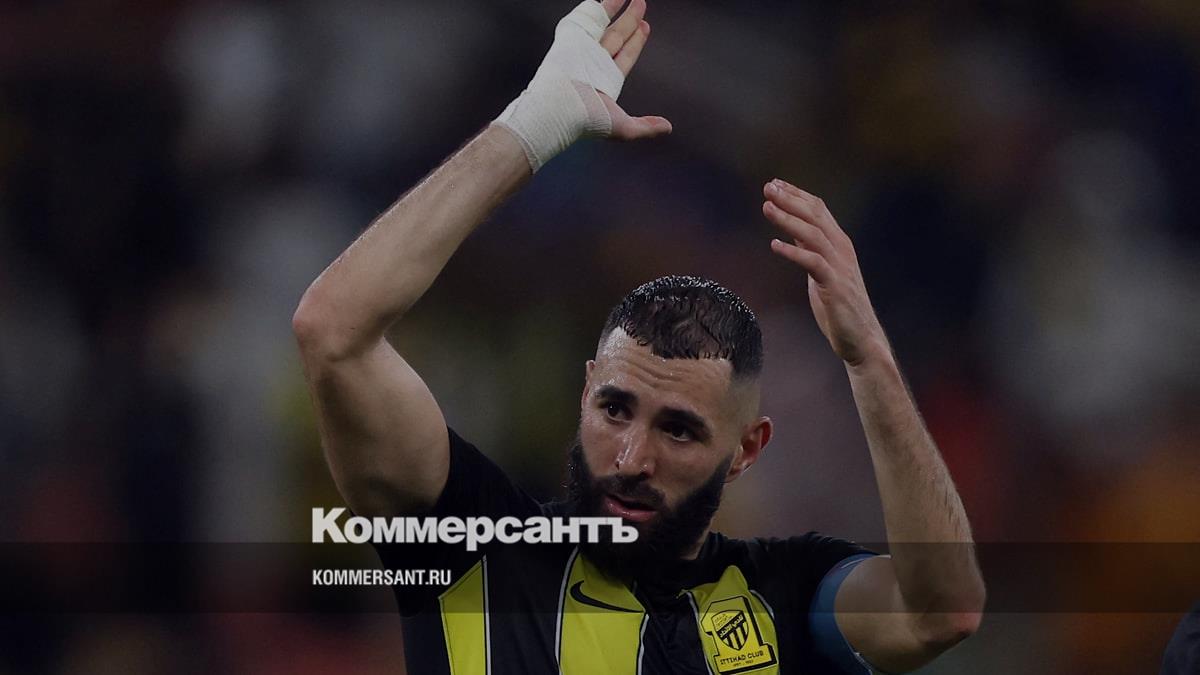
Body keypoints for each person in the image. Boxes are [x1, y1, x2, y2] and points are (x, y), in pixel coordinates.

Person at [292, 0, 985, 672]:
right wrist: (533, 125)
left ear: (746, 449)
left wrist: (869, 360)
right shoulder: (476, 550)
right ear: (586, 392)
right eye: (616, 409)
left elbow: (940, 613)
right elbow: (333, 331)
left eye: (678, 430)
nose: (631, 458)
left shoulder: (786, 596)